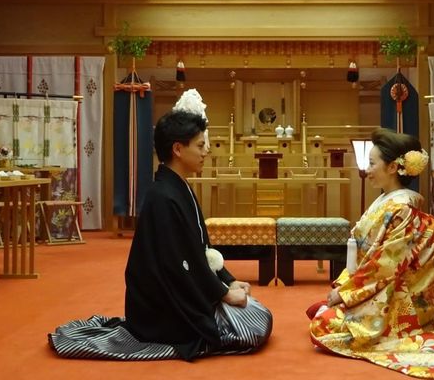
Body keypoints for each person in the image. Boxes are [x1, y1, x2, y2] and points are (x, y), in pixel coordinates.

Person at [49, 90, 272, 361]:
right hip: (164, 311)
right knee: (256, 325)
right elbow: (179, 265)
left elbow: (199, 250)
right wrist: (224, 294)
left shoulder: (177, 188)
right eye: (200, 145)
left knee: (258, 314)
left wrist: (229, 280)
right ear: (178, 149)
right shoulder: (163, 197)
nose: (206, 152)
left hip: (186, 293)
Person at [307, 128, 434, 380]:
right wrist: (345, 287)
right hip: (379, 286)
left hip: (397, 295)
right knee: (325, 314)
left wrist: (346, 293)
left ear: (393, 167)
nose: (367, 170)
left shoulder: (401, 209)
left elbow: (386, 264)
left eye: (372, 163)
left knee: (325, 325)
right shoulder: (390, 202)